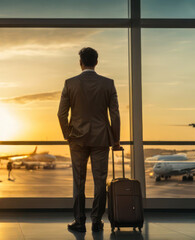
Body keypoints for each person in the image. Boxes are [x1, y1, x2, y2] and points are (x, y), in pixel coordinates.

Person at [57, 47, 121, 233]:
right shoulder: (108, 84)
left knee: (79, 180)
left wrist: (67, 134)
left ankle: (79, 221)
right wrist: (115, 140)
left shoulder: (70, 83)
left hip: (77, 138)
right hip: (101, 138)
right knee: (100, 181)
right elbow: (115, 115)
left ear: (80, 62)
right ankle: (97, 221)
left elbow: (61, 114)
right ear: (97, 62)